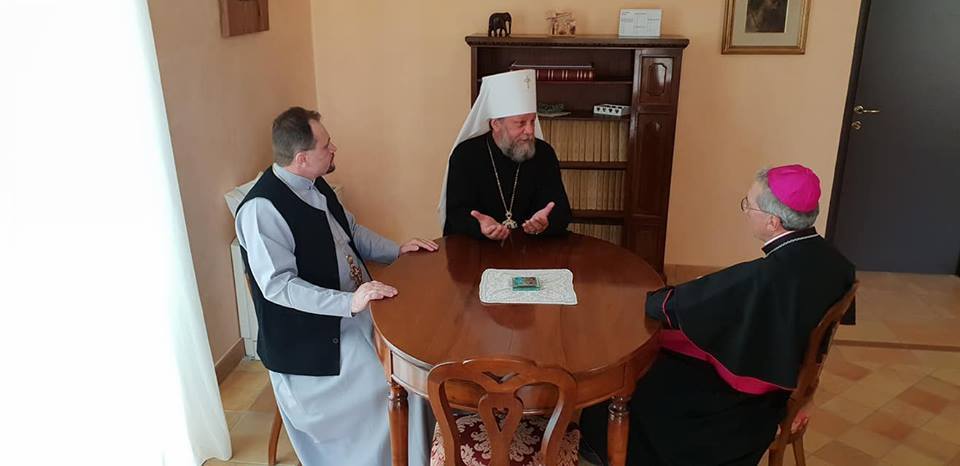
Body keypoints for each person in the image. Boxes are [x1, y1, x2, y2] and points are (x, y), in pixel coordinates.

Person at [580, 164, 856, 466]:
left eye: (749, 205)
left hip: (743, 405)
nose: (746, 211)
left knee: (631, 378)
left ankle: (603, 444)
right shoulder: (838, 262)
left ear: (773, 222)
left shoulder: (763, 278)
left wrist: (651, 301)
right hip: (781, 375)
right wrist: (807, 394)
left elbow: (681, 305)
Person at [236, 106, 438, 465]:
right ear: (301, 158)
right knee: (395, 382)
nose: (333, 149)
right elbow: (279, 287)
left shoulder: (314, 182)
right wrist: (349, 303)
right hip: (310, 341)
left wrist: (397, 250)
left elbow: (351, 231)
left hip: (353, 312)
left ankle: (420, 452)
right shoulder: (262, 210)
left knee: (414, 353)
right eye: (326, 145)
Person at [439, 69, 571, 240]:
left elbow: (561, 210)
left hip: (532, 247)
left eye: (532, 121)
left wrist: (546, 222)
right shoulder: (465, 156)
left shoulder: (544, 154)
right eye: (520, 123)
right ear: (496, 124)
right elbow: (456, 215)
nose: (530, 131)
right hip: (479, 249)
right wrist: (479, 226)